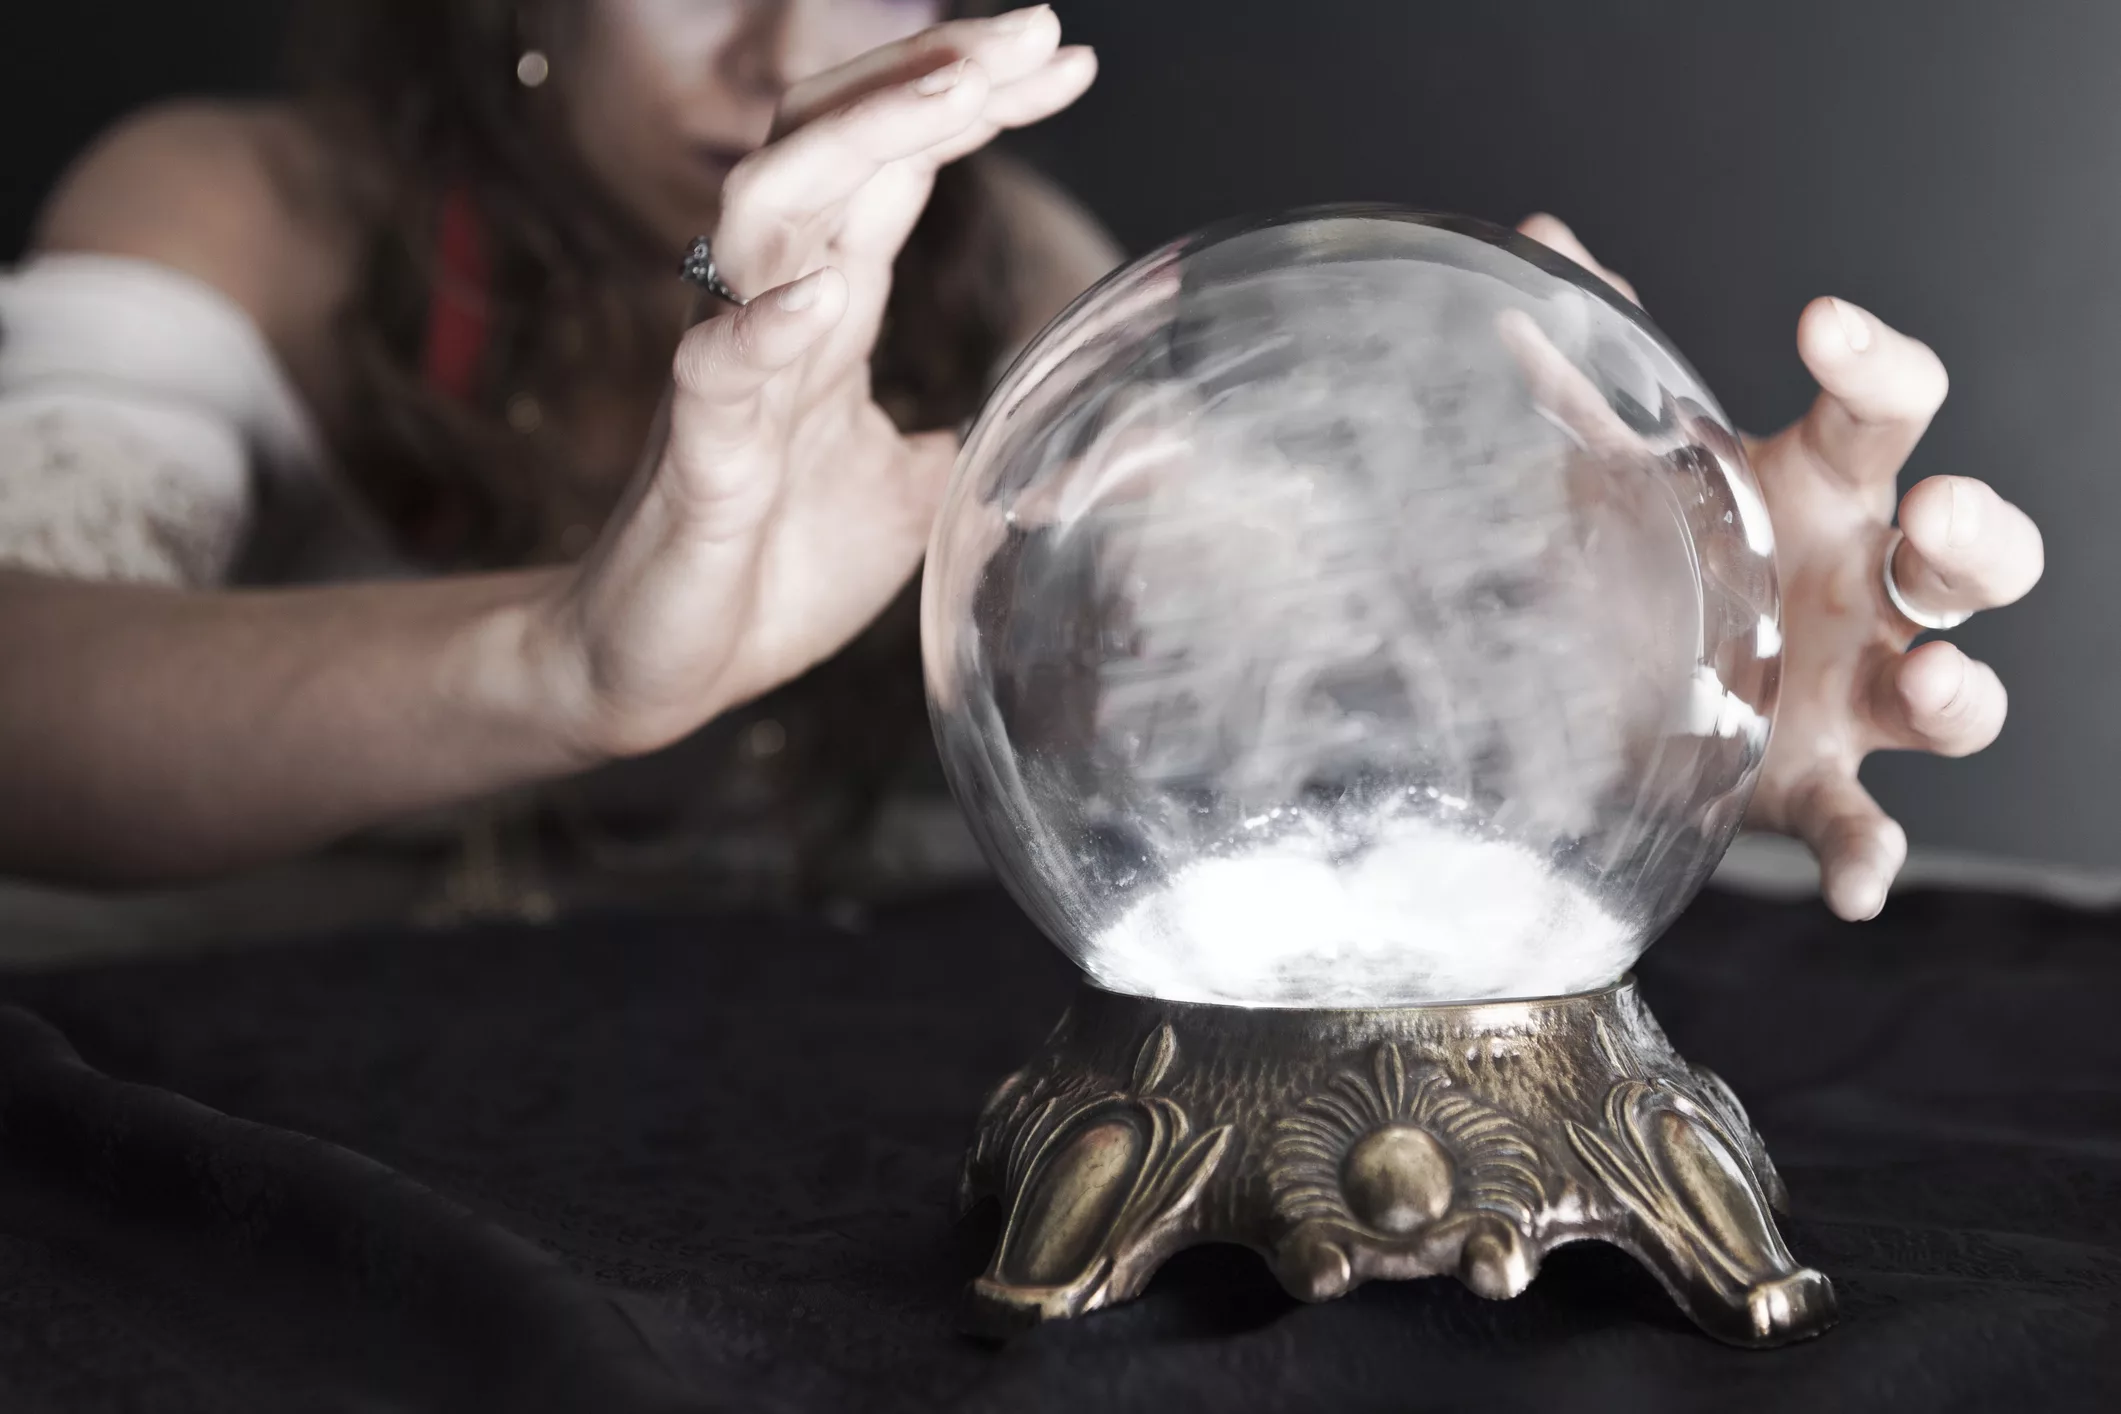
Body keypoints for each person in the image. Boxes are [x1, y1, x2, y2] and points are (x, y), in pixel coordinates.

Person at [0, 1, 2044, 942]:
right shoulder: (235, 205)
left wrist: (1609, 657)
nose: (791, 45)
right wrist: (562, 659)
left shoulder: (1014, 275)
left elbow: (1277, 655)